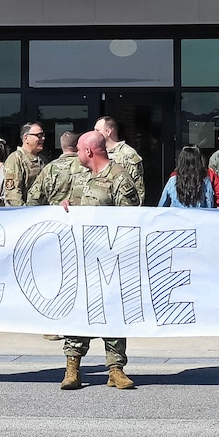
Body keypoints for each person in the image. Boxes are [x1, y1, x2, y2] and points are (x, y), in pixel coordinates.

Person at [58, 132, 143, 390]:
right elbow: (73, 204)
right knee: (77, 309)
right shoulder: (82, 177)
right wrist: (64, 205)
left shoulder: (120, 178)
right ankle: (72, 367)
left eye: (81, 150)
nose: (78, 154)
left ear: (89, 152)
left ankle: (115, 369)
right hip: (81, 258)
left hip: (110, 259)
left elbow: (129, 221)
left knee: (112, 311)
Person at [3, 122, 47, 207]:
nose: (43, 138)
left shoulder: (42, 159)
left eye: (43, 135)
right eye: (39, 135)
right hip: (24, 213)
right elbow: (13, 194)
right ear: (26, 138)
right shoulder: (15, 159)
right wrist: (24, 212)